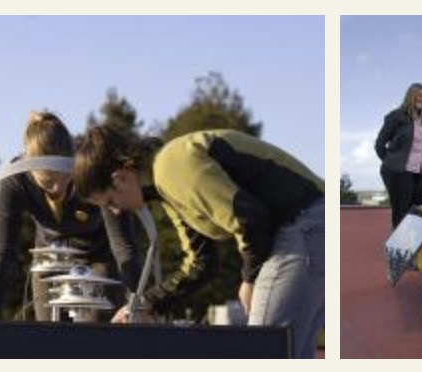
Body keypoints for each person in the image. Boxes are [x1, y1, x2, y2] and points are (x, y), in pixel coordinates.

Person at [74, 126, 325, 359]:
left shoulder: (172, 167)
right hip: (316, 225)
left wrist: (249, 278)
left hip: (305, 223)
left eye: (109, 202)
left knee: (261, 349)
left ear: (120, 178)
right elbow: (201, 262)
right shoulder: (166, 187)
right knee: (291, 352)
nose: (115, 212)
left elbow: (251, 217)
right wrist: (143, 305)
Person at [0, 111, 142, 321]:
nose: (57, 188)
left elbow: (123, 246)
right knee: (49, 338)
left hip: (99, 256)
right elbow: (5, 250)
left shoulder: (93, 169)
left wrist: (138, 303)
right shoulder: (15, 182)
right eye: (47, 182)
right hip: (49, 259)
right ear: (30, 165)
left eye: (66, 177)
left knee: (98, 333)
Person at [375, 83, 422, 228]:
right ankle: (400, 249)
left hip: (420, 173)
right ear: (410, 96)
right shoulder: (396, 116)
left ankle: (419, 248)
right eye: (419, 95)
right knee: (402, 213)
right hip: (399, 172)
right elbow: (379, 144)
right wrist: (392, 163)